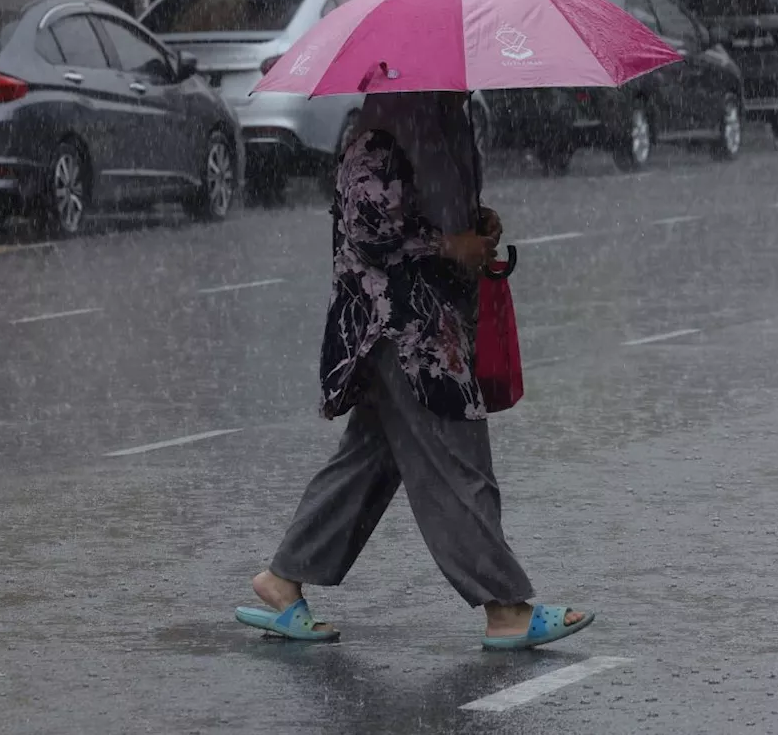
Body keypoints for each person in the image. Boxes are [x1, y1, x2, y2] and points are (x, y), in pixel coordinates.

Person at [235, 91, 593, 650]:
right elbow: (369, 229)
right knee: (458, 459)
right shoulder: (382, 133)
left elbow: (429, 204)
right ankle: (506, 609)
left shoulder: (448, 116)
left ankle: (282, 579)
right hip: (403, 329)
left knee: (369, 461)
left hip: (430, 322)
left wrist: (475, 222)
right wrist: (450, 243)